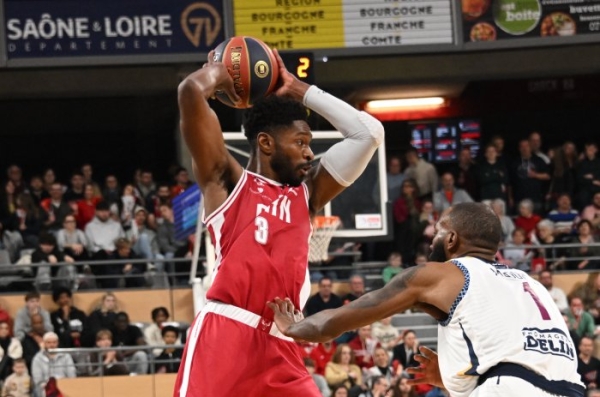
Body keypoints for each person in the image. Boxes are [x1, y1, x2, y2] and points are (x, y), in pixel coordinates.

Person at [173, 45, 383, 397]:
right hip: (226, 333)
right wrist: (223, 70)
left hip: (283, 341)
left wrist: (300, 90)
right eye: (301, 141)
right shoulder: (227, 180)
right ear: (266, 143)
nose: (309, 152)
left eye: (309, 143)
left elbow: (369, 134)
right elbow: (191, 92)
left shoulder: (308, 194)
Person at [269, 202, 585, 397]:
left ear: (451, 239)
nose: (429, 237)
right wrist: (450, 377)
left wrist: (295, 327)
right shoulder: (529, 283)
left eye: (436, 230)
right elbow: (523, 365)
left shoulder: (443, 274)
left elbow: (340, 320)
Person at [30, 332, 76, 397]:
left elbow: (72, 376)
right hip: (45, 389)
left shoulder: (66, 356)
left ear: (58, 343)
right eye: (49, 342)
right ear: (44, 343)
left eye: (54, 342)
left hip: (64, 387)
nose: (52, 345)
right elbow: (38, 380)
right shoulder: (37, 358)